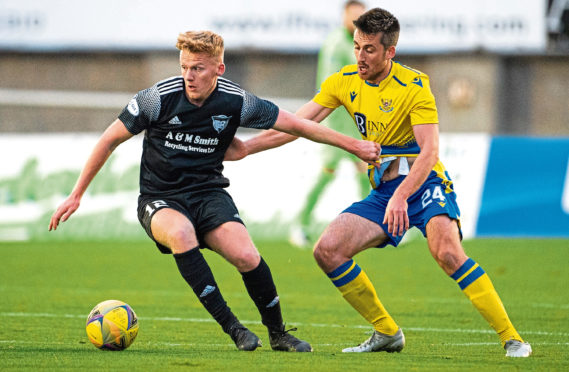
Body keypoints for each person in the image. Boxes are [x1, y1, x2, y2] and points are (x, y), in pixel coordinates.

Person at [225, 8, 532, 357]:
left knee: (446, 252)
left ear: (390, 52)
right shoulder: (343, 80)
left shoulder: (414, 86)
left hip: (424, 181)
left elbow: (430, 151)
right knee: (327, 250)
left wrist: (402, 195)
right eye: (357, 46)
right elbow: (297, 124)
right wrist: (247, 148)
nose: (360, 56)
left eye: (369, 49)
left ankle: (512, 338)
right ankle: (386, 332)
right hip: (385, 190)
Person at [48, 30, 381, 352]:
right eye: (184, 68)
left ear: (218, 69)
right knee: (180, 234)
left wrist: (354, 145)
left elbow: (296, 124)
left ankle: (279, 334)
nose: (188, 76)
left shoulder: (236, 101)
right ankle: (234, 328)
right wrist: (77, 194)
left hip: (208, 194)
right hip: (160, 198)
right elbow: (109, 140)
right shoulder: (156, 99)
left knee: (247, 256)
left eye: (197, 68)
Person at [291, 0, 368, 247]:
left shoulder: (362, 43)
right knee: (327, 173)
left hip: (357, 120)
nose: (357, 21)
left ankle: (371, 225)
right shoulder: (336, 44)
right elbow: (332, 84)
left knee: (366, 171)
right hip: (336, 122)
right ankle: (300, 223)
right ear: (344, 18)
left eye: (361, 16)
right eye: (352, 16)